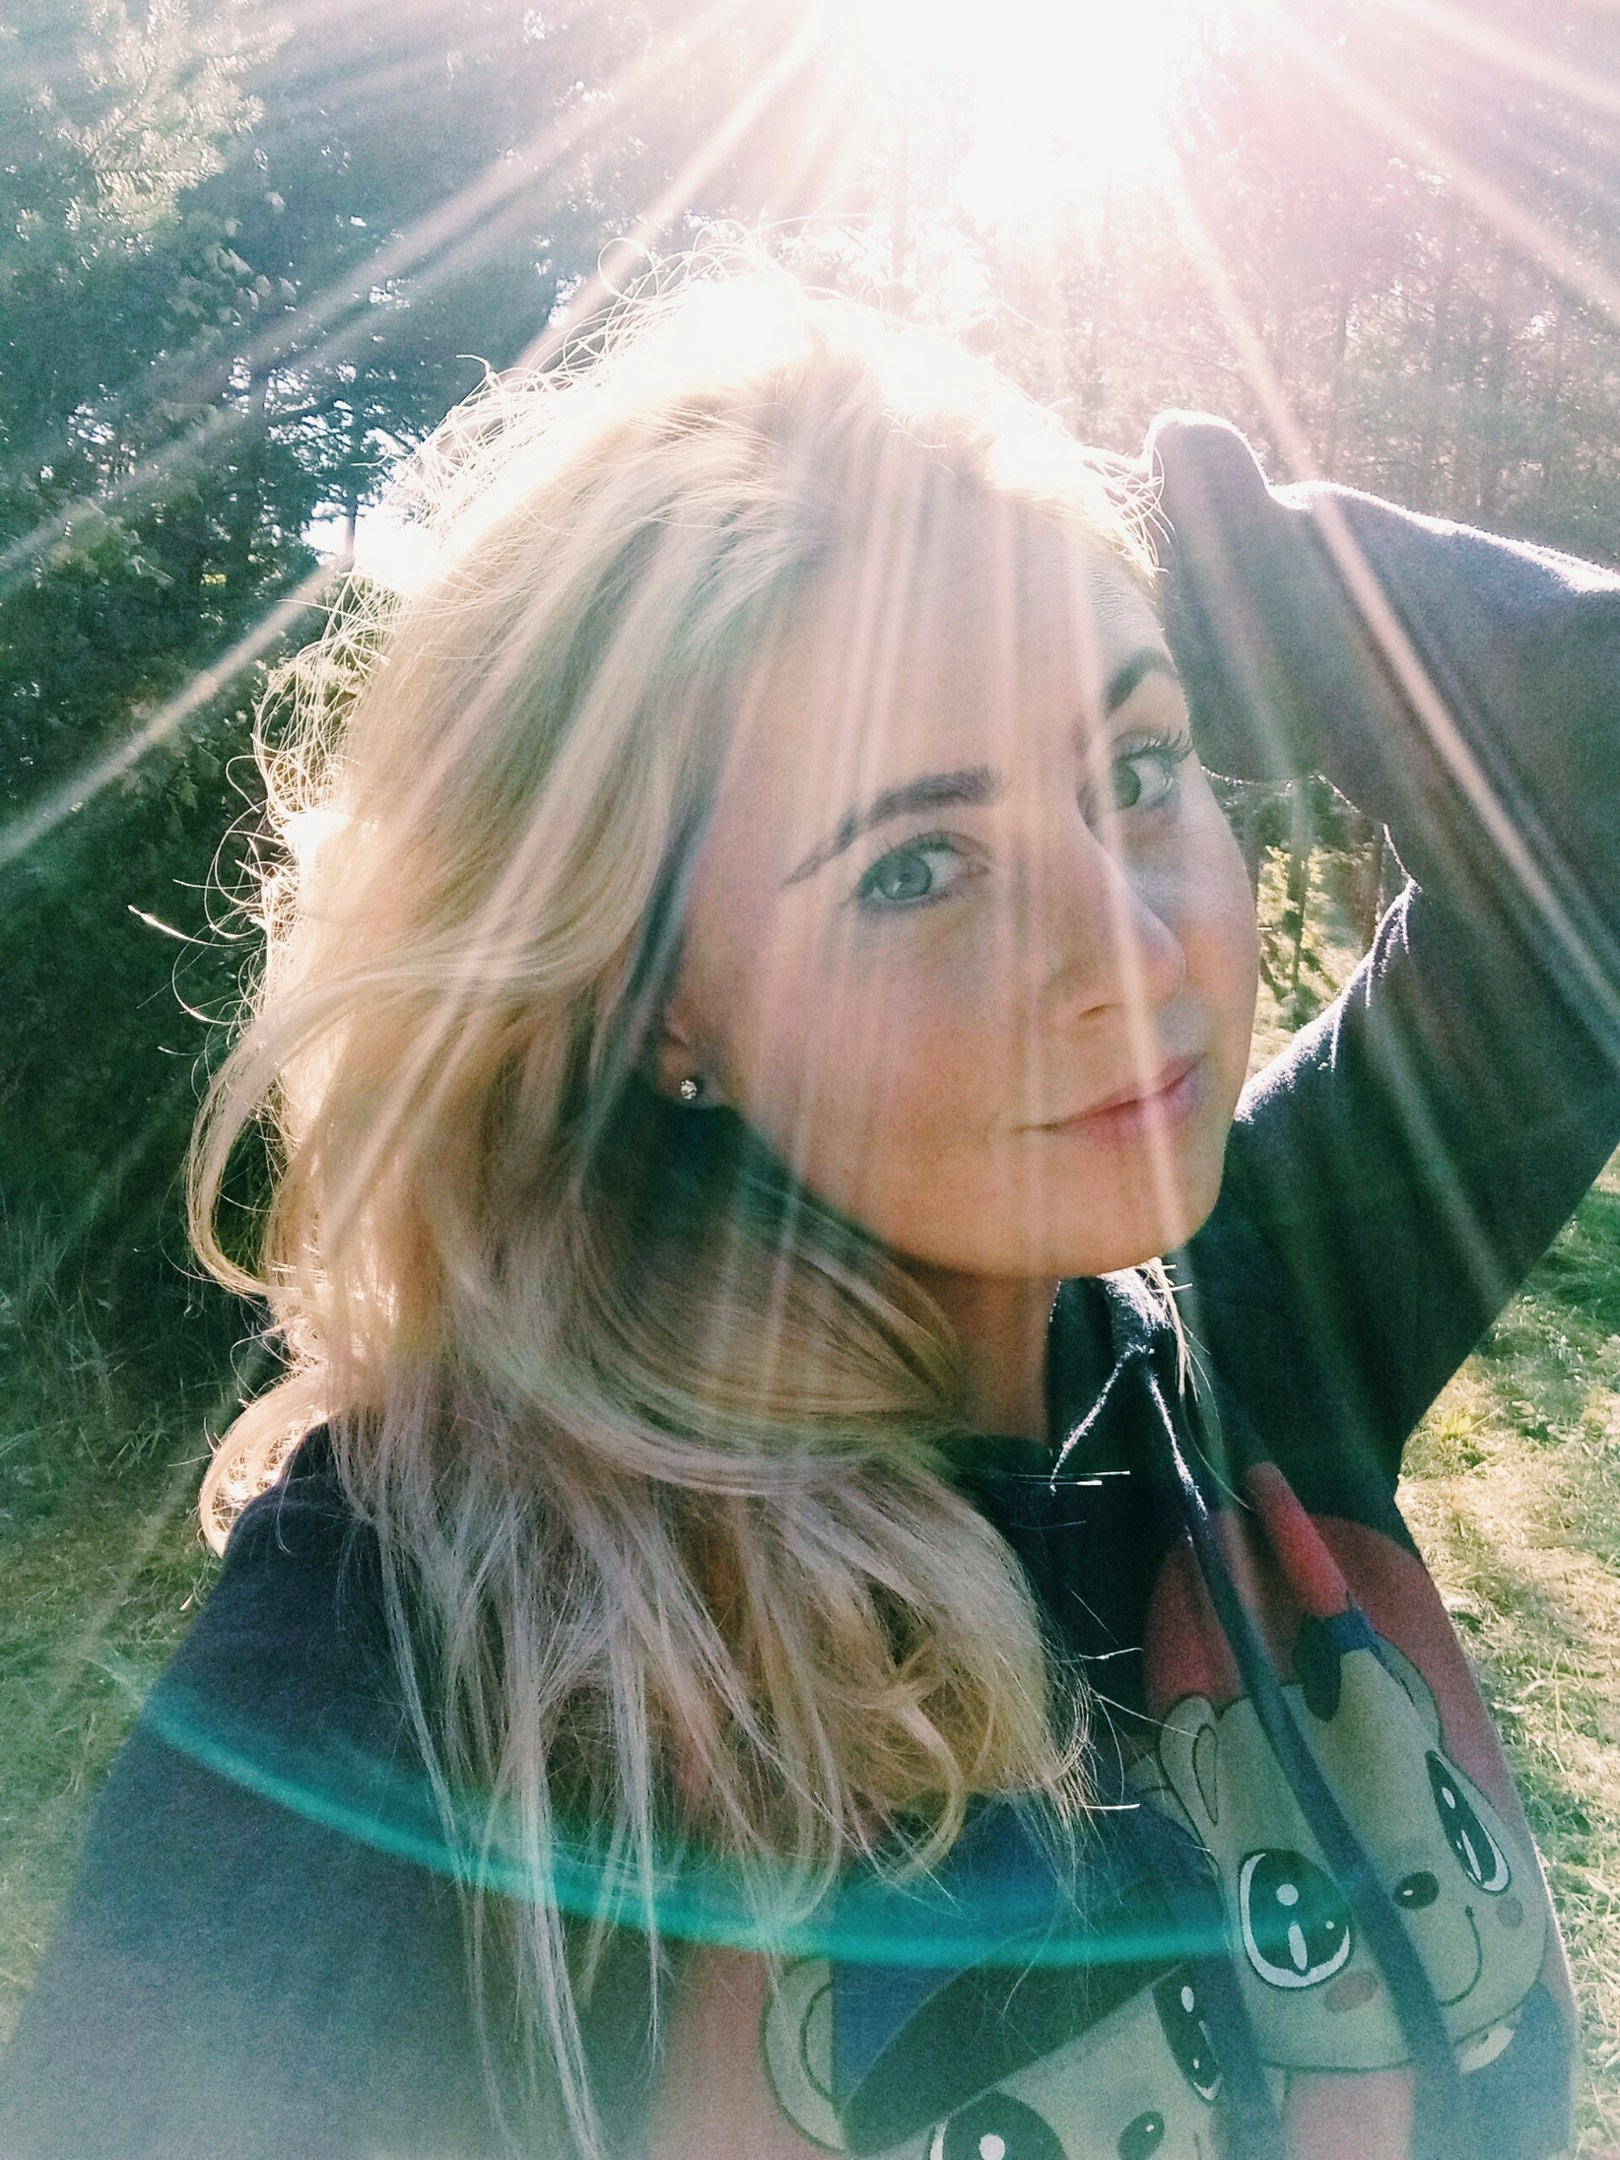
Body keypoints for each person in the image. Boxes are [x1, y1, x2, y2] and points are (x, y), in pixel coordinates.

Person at [2, 268, 1616, 2160]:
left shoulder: (1266, 1324)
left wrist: (1257, 565)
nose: (1128, 944)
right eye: (918, 866)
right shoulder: (423, 1607)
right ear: (662, 1002)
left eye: (1139, 770)